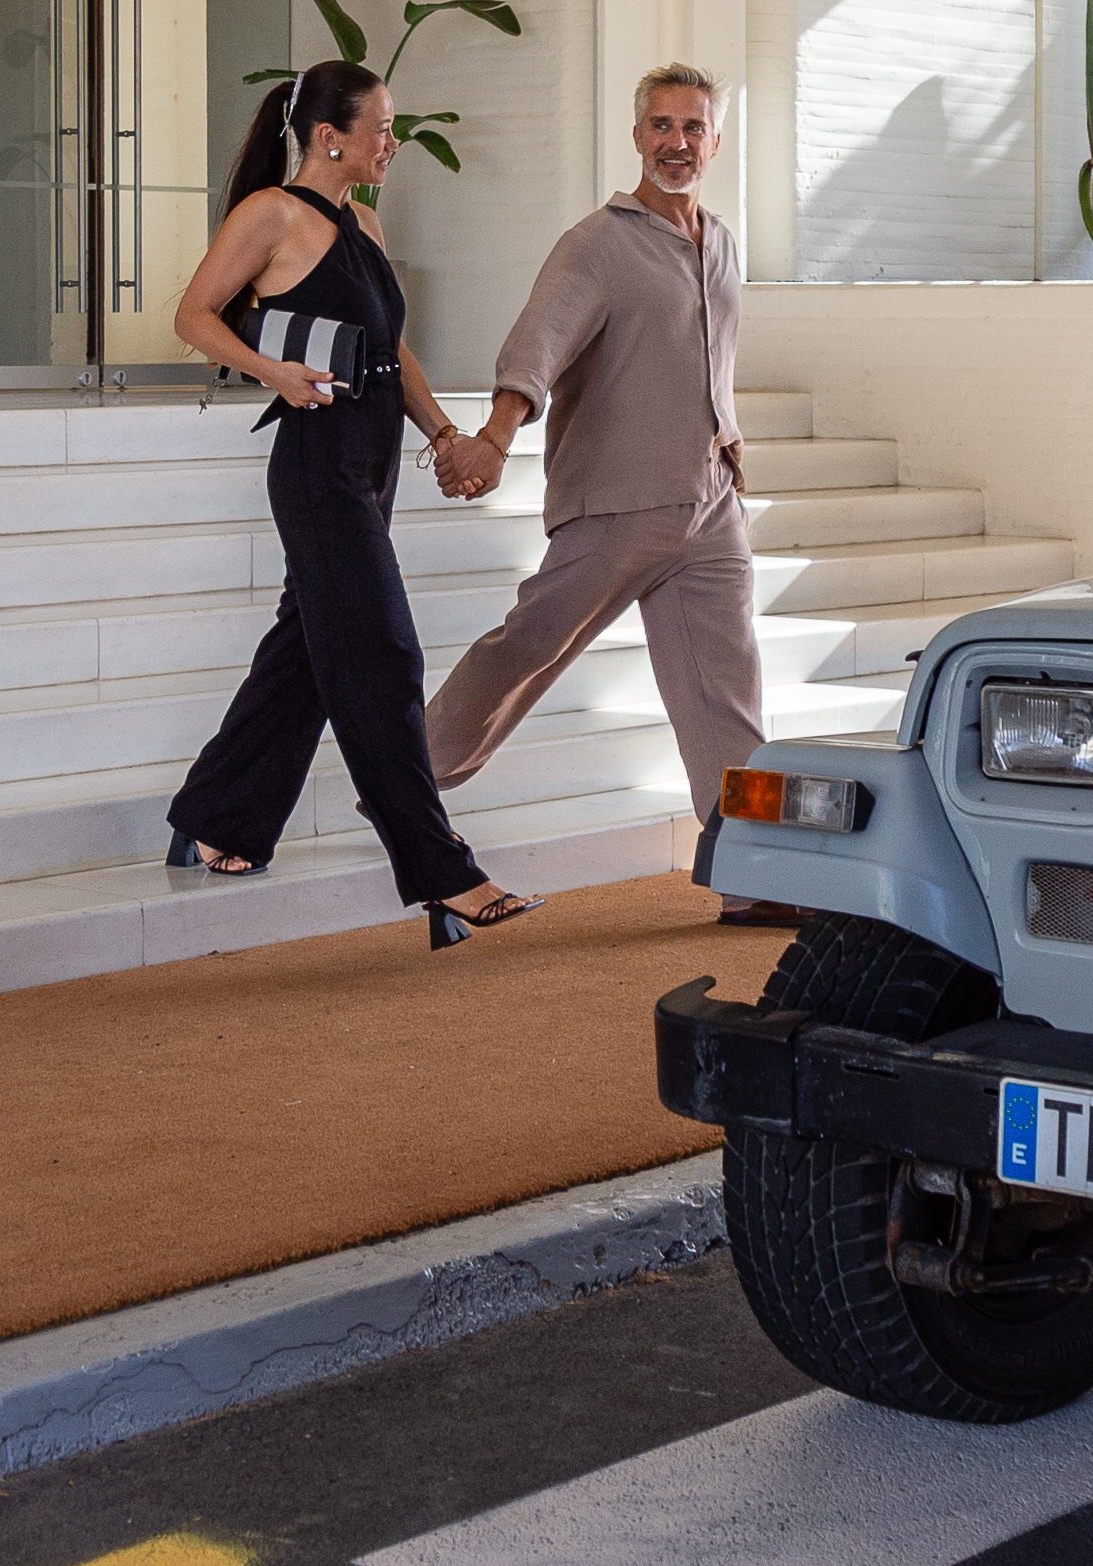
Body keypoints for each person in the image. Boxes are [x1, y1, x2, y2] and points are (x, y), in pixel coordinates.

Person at [163, 62, 536, 943]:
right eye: (383, 127)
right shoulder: (271, 215)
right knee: (382, 652)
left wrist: (445, 436)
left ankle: (215, 816)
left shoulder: (362, 223)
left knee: (306, 651)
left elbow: (390, 351)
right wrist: (273, 372)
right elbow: (194, 315)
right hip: (316, 462)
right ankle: (442, 871)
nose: (392, 143)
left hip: (371, 461)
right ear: (330, 136)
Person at [425, 63, 766, 915]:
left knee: (728, 696)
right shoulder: (598, 244)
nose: (676, 143)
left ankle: (756, 873)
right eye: (661, 125)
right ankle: (403, 780)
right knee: (524, 650)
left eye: (693, 127)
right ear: (637, 135)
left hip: (711, 502)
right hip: (618, 501)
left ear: (715, 141)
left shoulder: (721, 241)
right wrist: (494, 438)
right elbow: (536, 345)